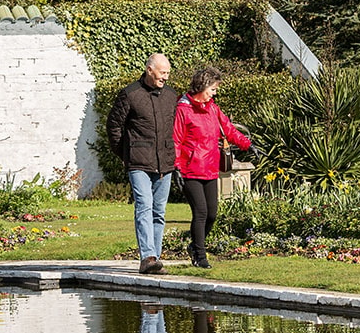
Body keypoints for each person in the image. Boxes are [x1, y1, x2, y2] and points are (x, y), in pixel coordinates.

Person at [173, 66, 254, 269]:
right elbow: (175, 140)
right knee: (200, 212)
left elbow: (229, 129)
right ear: (203, 86)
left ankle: (194, 246)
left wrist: (248, 145)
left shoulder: (212, 108)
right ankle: (200, 256)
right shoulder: (183, 110)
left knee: (212, 214)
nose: (215, 93)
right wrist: (175, 167)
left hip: (209, 168)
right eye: (213, 89)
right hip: (189, 170)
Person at [107, 53, 178, 274]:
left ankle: (154, 259)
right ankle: (147, 257)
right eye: (162, 72)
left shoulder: (171, 96)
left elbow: (174, 128)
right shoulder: (130, 94)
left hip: (164, 163)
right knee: (144, 207)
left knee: (159, 212)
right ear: (149, 70)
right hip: (139, 163)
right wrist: (126, 153)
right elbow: (113, 126)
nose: (165, 77)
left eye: (167, 73)